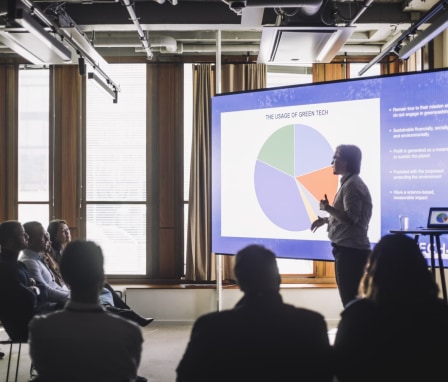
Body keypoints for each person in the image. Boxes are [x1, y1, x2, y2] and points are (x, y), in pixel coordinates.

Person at [176, 244, 334, 382]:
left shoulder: (209, 327)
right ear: (278, 279)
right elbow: (325, 376)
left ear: (240, 282)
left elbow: (187, 377)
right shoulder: (312, 324)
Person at [333, 234, 448, 382]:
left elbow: (341, 370)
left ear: (373, 270)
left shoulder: (355, 316)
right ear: (421, 268)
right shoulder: (441, 314)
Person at [29, 240, 144, 382]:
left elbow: (44, 372)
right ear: (102, 277)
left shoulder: (40, 327)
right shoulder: (130, 331)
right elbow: (128, 375)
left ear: (64, 277)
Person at [21, 220, 154, 327]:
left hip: (65, 293)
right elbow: (47, 291)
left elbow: (57, 281)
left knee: (103, 290)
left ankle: (118, 312)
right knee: (97, 296)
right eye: (43, 236)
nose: (46, 239)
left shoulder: (41, 258)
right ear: (29, 239)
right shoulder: (33, 261)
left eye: (68, 230)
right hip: (59, 301)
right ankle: (121, 314)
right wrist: (72, 295)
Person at [310, 144, 372, 307]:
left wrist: (328, 208)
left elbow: (352, 219)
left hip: (351, 252)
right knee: (350, 300)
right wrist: (325, 219)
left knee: (350, 302)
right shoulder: (348, 183)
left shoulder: (352, 185)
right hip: (348, 250)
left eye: (336, 158)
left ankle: (356, 332)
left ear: (346, 162)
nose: (332, 161)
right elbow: (346, 218)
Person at [0, 220, 57, 341]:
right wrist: (35, 289)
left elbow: (42, 291)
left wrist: (33, 289)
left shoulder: (19, 264)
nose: (27, 236)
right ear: (10, 242)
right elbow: (30, 300)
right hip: (24, 327)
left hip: (35, 315)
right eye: (22, 234)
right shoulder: (5, 267)